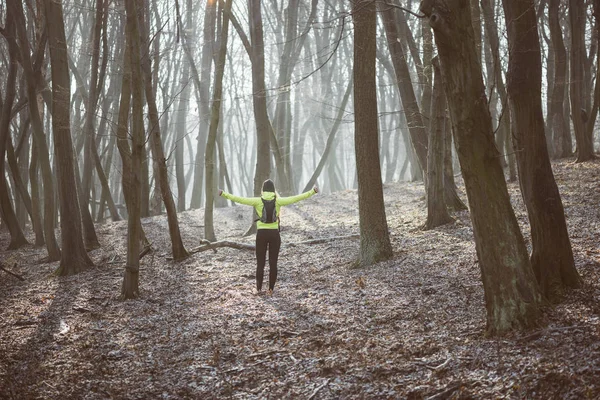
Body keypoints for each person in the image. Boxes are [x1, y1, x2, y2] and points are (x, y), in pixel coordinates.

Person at [219, 179, 318, 295]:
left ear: (263, 190)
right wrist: (313, 191)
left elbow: (239, 199)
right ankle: (270, 289)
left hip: (261, 234)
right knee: (273, 263)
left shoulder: (257, 201)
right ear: (273, 190)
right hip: (274, 235)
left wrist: (223, 194)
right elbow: (297, 198)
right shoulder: (278, 201)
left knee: (260, 263)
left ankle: (259, 289)